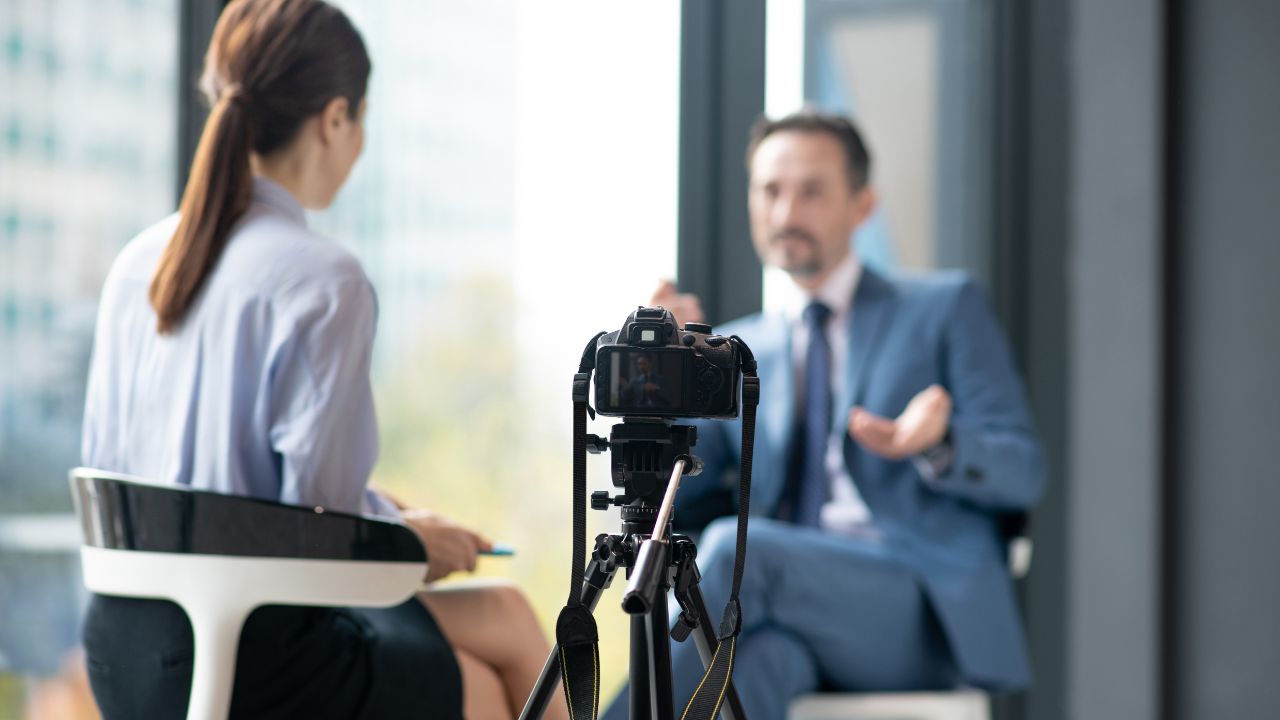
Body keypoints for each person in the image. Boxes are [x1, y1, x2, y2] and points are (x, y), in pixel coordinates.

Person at [78, 2, 566, 718]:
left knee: (505, 620)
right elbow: (329, 543)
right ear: (336, 118)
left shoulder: (138, 262)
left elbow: (198, 495)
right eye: (361, 121)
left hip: (122, 648)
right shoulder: (322, 279)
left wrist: (388, 514)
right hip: (255, 652)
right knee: (493, 681)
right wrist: (411, 545)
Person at [602, 109, 1046, 718]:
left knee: (737, 550)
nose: (785, 214)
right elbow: (665, 497)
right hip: (781, 611)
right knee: (758, 666)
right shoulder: (735, 348)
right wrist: (663, 380)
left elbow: (1024, 469)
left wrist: (941, 442)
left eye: (811, 192)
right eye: (770, 191)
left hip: (913, 608)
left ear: (863, 205)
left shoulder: (943, 308)